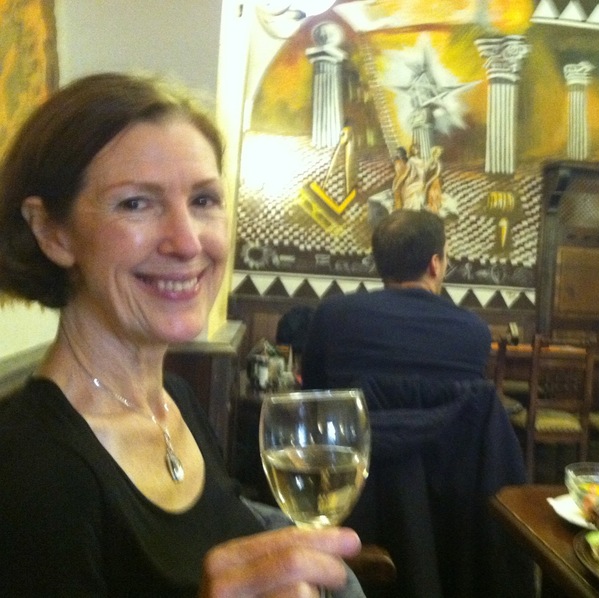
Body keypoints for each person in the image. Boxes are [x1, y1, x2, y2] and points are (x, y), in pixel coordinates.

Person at [0, 72, 365, 597]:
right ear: (52, 233)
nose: (188, 242)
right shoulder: (32, 470)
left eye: (204, 200)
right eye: (136, 203)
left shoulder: (176, 400)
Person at [301, 209, 492, 389]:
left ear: (378, 263)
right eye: (446, 258)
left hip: (362, 416)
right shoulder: (474, 331)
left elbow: (312, 395)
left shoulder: (333, 316)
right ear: (434, 264)